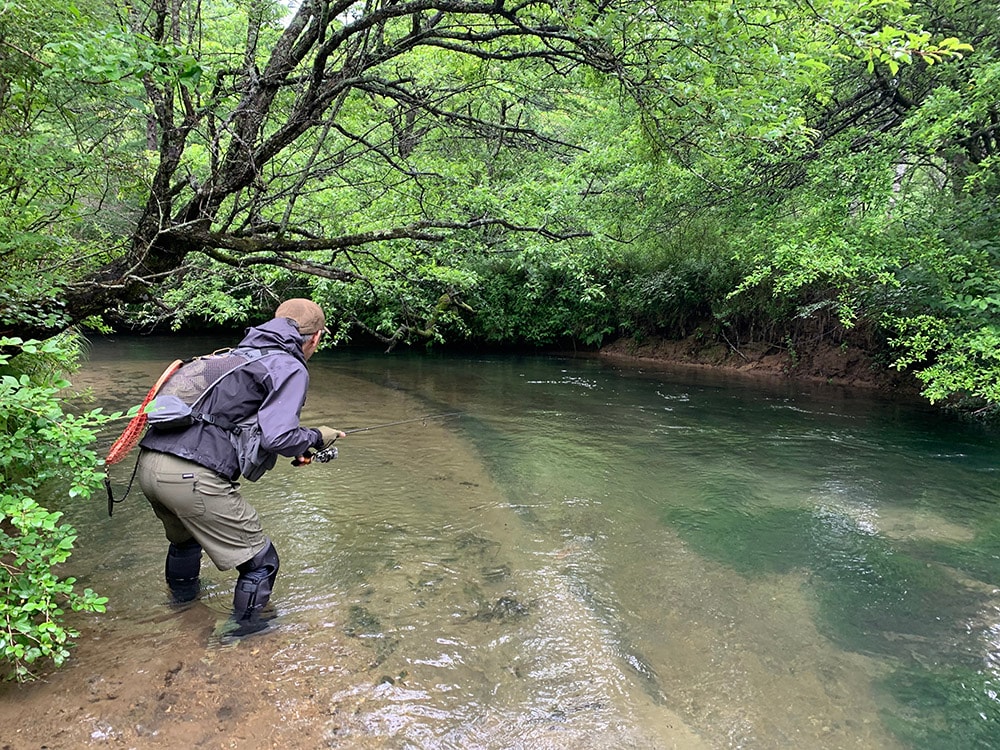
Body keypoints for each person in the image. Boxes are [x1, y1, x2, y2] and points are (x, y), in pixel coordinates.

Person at [136, 298, 344, 637]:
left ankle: (181, 615)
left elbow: (233, 424)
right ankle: (243, 638)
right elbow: (279, 436)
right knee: (261, 563)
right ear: (315, 338)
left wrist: (301, 444)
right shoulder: (289, 366)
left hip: (150, 464)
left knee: (185, 544)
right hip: (191, 476)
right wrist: (318, 437)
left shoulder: (231, 356)